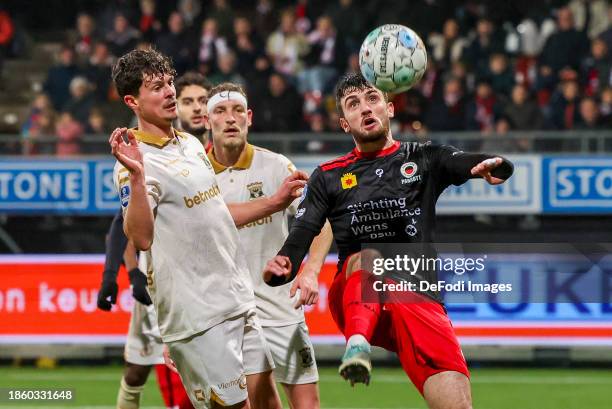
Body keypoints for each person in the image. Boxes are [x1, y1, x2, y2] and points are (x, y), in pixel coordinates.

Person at [264, 72, 514, 409]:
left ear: (389, 108)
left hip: (419, 299)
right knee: (369, 257)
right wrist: (286, 262)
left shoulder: (424, 158)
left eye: (372, 99)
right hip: (356, 295)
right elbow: (303, 231)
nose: (365, 109)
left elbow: (461, 163)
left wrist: (488, 165)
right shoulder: (329, 175)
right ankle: (356, 346)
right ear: (343, 123)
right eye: (353, 104)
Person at [109, 48, 306, 409]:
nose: (169, 91)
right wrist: (137, 178)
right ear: (132, 101)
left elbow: (217, 213)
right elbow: (140, 237)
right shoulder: (136, 161)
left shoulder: (189, 144)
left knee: (268, 403)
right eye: (157, 87)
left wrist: (275, 202)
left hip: (237, 299)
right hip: (199, 318)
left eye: (169, 82)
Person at [204, 82, 333, 409]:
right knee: (260, 403)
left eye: (237, 111)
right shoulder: (196, 175)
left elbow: (322, 222)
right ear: (207, 121)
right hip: (229, 312)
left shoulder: (277, 167)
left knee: (308, 405)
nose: (229, 118)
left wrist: (310, 271)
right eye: (220, 111)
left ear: (249, 117)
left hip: (280, 306)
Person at [99, 71, 214, 409]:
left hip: (213, 286)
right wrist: (124, 275)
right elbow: (128, 225)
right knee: (139, 370)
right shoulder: (145, 155)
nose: (195, 109)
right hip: (166, 285)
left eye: (202, 101)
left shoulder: (208, 152)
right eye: (188, 100)